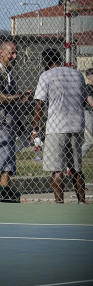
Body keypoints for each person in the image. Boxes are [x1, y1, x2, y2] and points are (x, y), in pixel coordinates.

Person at [30, 48, 86, 204]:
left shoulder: (46, 75)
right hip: (76, 124)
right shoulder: (77, 74)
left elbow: (39, 104)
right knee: (76, 168)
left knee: (57, 169)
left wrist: (35, 128)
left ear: (46, 61)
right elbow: (83, 99)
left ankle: (59, 204)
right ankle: (81, 201)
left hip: (56, 127)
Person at [1, 40, 31, 195]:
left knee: (8, 164)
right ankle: (3, 193)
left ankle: (3, 192)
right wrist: (19, 96)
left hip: (8, 123)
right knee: (6, 164)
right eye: (11, 52)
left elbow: (10, 99)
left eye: (16, 52)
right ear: (1, 53)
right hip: (2, 125)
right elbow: (1, 97)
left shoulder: (9, 73)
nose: (15, 56)